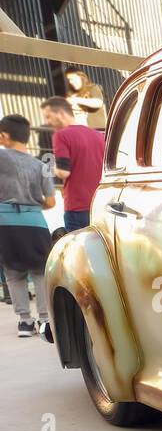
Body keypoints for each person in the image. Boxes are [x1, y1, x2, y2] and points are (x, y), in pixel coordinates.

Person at [0, 114, 55, 337]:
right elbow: (51, 201)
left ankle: (25, 322)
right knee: (41, 272)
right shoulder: (41, 164)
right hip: (36, 222)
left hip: (5, 222)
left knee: (13, 273)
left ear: (4, 135)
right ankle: (45, 320)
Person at [40, 96, 105, 232]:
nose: (47, 122)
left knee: (79, 250)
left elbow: (63, 171)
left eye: (48, 116)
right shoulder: (98, 136)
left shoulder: (61, 135)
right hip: (100, 204)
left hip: (77, 207)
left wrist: (48, 168)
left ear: (61, 113)